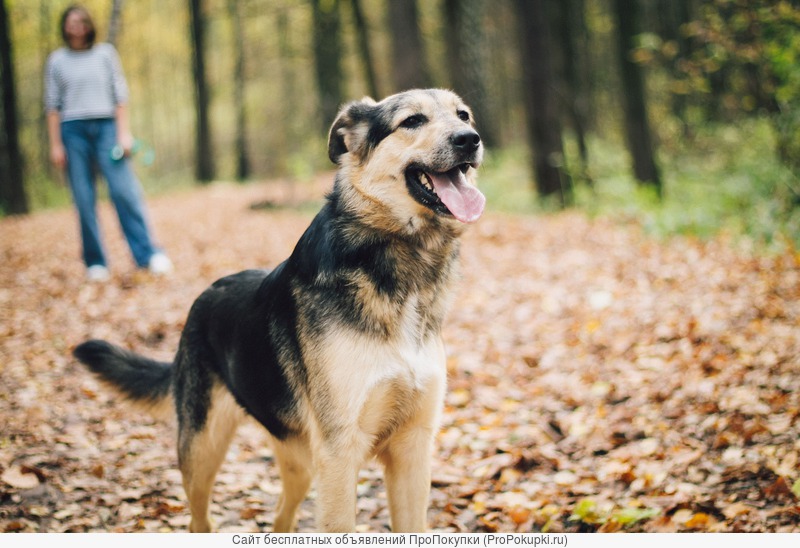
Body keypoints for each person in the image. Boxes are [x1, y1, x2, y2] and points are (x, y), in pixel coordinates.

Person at [45, 4, 172, 282]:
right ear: (64, 27)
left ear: (89, 25)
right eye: (71, 21)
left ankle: (148, 254)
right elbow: (53, 105)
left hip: (107, 128)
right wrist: (55, 145)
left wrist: (123, 134)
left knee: (124, 192)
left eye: (81, 21)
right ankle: (95, 262)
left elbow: (120, 96)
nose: (76, 26)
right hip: (72, 131)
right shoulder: (57, 60)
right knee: (83, 198)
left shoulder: (105, 54)